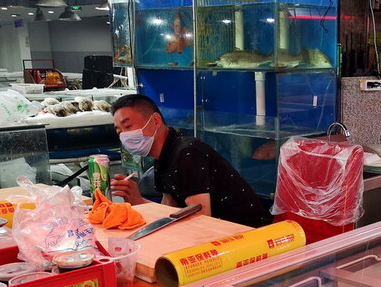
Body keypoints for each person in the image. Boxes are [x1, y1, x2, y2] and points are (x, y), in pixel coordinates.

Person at [109, 94, 273, 228]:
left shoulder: (187, 154)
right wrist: (139, 203)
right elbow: (169, 206)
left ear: (156, 121)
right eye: (119, 132)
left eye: (128, 127)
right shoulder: (163, 155)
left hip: (247, 235)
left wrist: (140, 202)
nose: (124, 136)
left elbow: (200, 219)